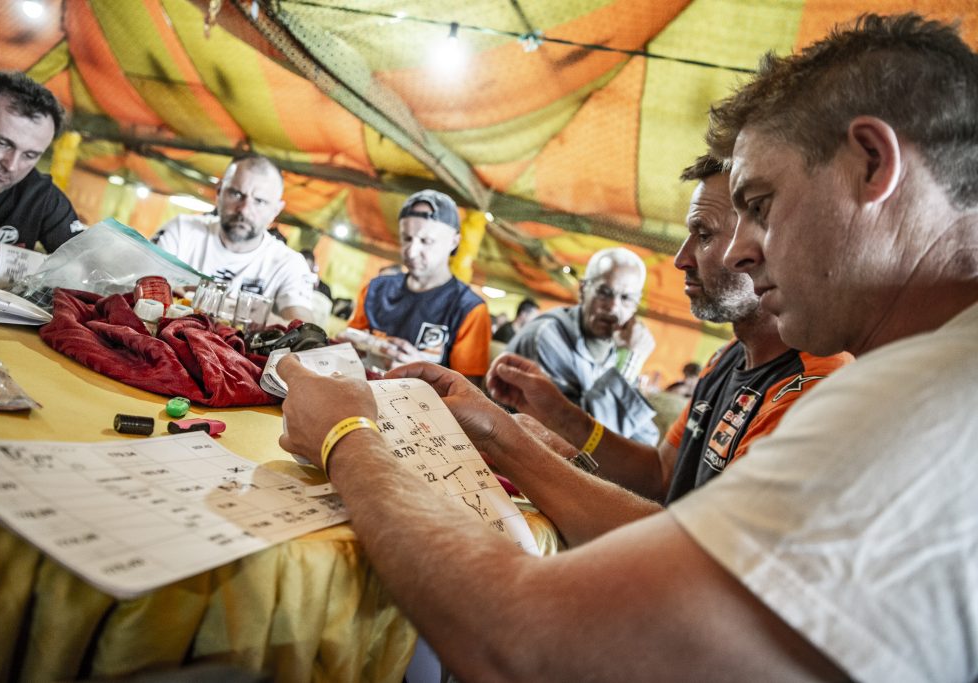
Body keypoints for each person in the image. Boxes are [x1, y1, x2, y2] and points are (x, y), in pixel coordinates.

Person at [274, 13, 978, 681]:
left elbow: (525, 638)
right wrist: (508, 429)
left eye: (761, 206)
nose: (743, 251)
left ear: (871, 162)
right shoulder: (920, 376)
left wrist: (347, 434)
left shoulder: (914, 406)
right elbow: (668, 480)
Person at [487, 155, 851, 507]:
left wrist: (520, 448)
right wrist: (557, 411)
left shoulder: (815, 385)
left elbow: (702, 540)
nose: (681, 259)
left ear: (765, 245)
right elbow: (661, 475)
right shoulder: (725, 358)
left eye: (703, 235)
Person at [505, 247, 659, 445]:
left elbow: (647, 437)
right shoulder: (547, 337)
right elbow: (579, 438)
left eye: (626, 298)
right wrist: (631, 361)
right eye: (604, 293)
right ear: (583, 290)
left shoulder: (613, 348)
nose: (613, 307)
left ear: (636, 306)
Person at [344, 189, 491, 385]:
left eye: (426, 241)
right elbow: (350, 346)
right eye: (406, 238)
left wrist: (424, 372)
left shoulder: (469, 309)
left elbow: (469, 390)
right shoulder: (375, 290)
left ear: (454, 242)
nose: (411, 252)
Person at [153, 155, 314, 323]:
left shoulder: (288, 263)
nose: (244, 209)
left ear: (276, 210)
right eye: (236, 194)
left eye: (259, 201)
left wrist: (199, 298)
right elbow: (144, 283)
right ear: (219, 192)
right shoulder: (182, 230)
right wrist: (249, 312)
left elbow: (304, 327)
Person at [0, 70, 83, 252]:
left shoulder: (42, 198)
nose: (11, 166)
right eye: (1, 143)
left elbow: (84, 263)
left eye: (29, 155)